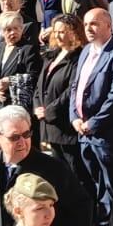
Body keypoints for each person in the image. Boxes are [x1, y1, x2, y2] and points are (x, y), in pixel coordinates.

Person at [0, 105, 93, 226]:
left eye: (26, 134)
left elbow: (81, 209)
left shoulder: (53, 168)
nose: (22, 142)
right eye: (14, 137)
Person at [72, 8, 113, 226]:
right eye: (86, 24)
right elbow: (75, 88)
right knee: (96, 184)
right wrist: (74, 118)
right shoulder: (86, 51)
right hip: (84, 132)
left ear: (109, 26)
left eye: (95, 24)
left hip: (107, 136)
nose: (89, 28)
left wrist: (93, 123)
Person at [34, 15, 90, 194]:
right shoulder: (54, 54)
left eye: (62, 32)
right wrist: (37, 106)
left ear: (74, 33)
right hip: (50, 125)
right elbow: (40, 85)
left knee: (74, 174)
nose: (57, 36)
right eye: (56, 31)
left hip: (64, 125)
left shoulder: (79, 57)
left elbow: (71, 91)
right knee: (59, 173)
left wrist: (49, 111)